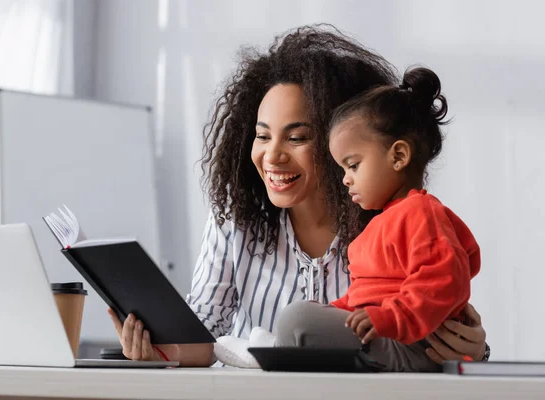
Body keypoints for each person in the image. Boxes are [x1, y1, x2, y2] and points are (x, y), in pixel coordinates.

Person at [108, 25, 489, 367]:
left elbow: (437, 310)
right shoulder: (235, 223)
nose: (272, 155)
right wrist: (161, 351)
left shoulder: (393, 220)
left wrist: (474, 350)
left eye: (297, 137)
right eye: (262, 135)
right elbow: (206, 337)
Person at [275, 67, 481, 372]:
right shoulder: (377, 227)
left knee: (297, 321)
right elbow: (363, 297)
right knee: (303, 316)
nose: (345, 180)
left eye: (353, 165)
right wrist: (336, 313)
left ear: (398, 157)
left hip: (413, 344)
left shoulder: (420, 213)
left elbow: (444, 281)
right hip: (383, 334)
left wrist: (390, 317)